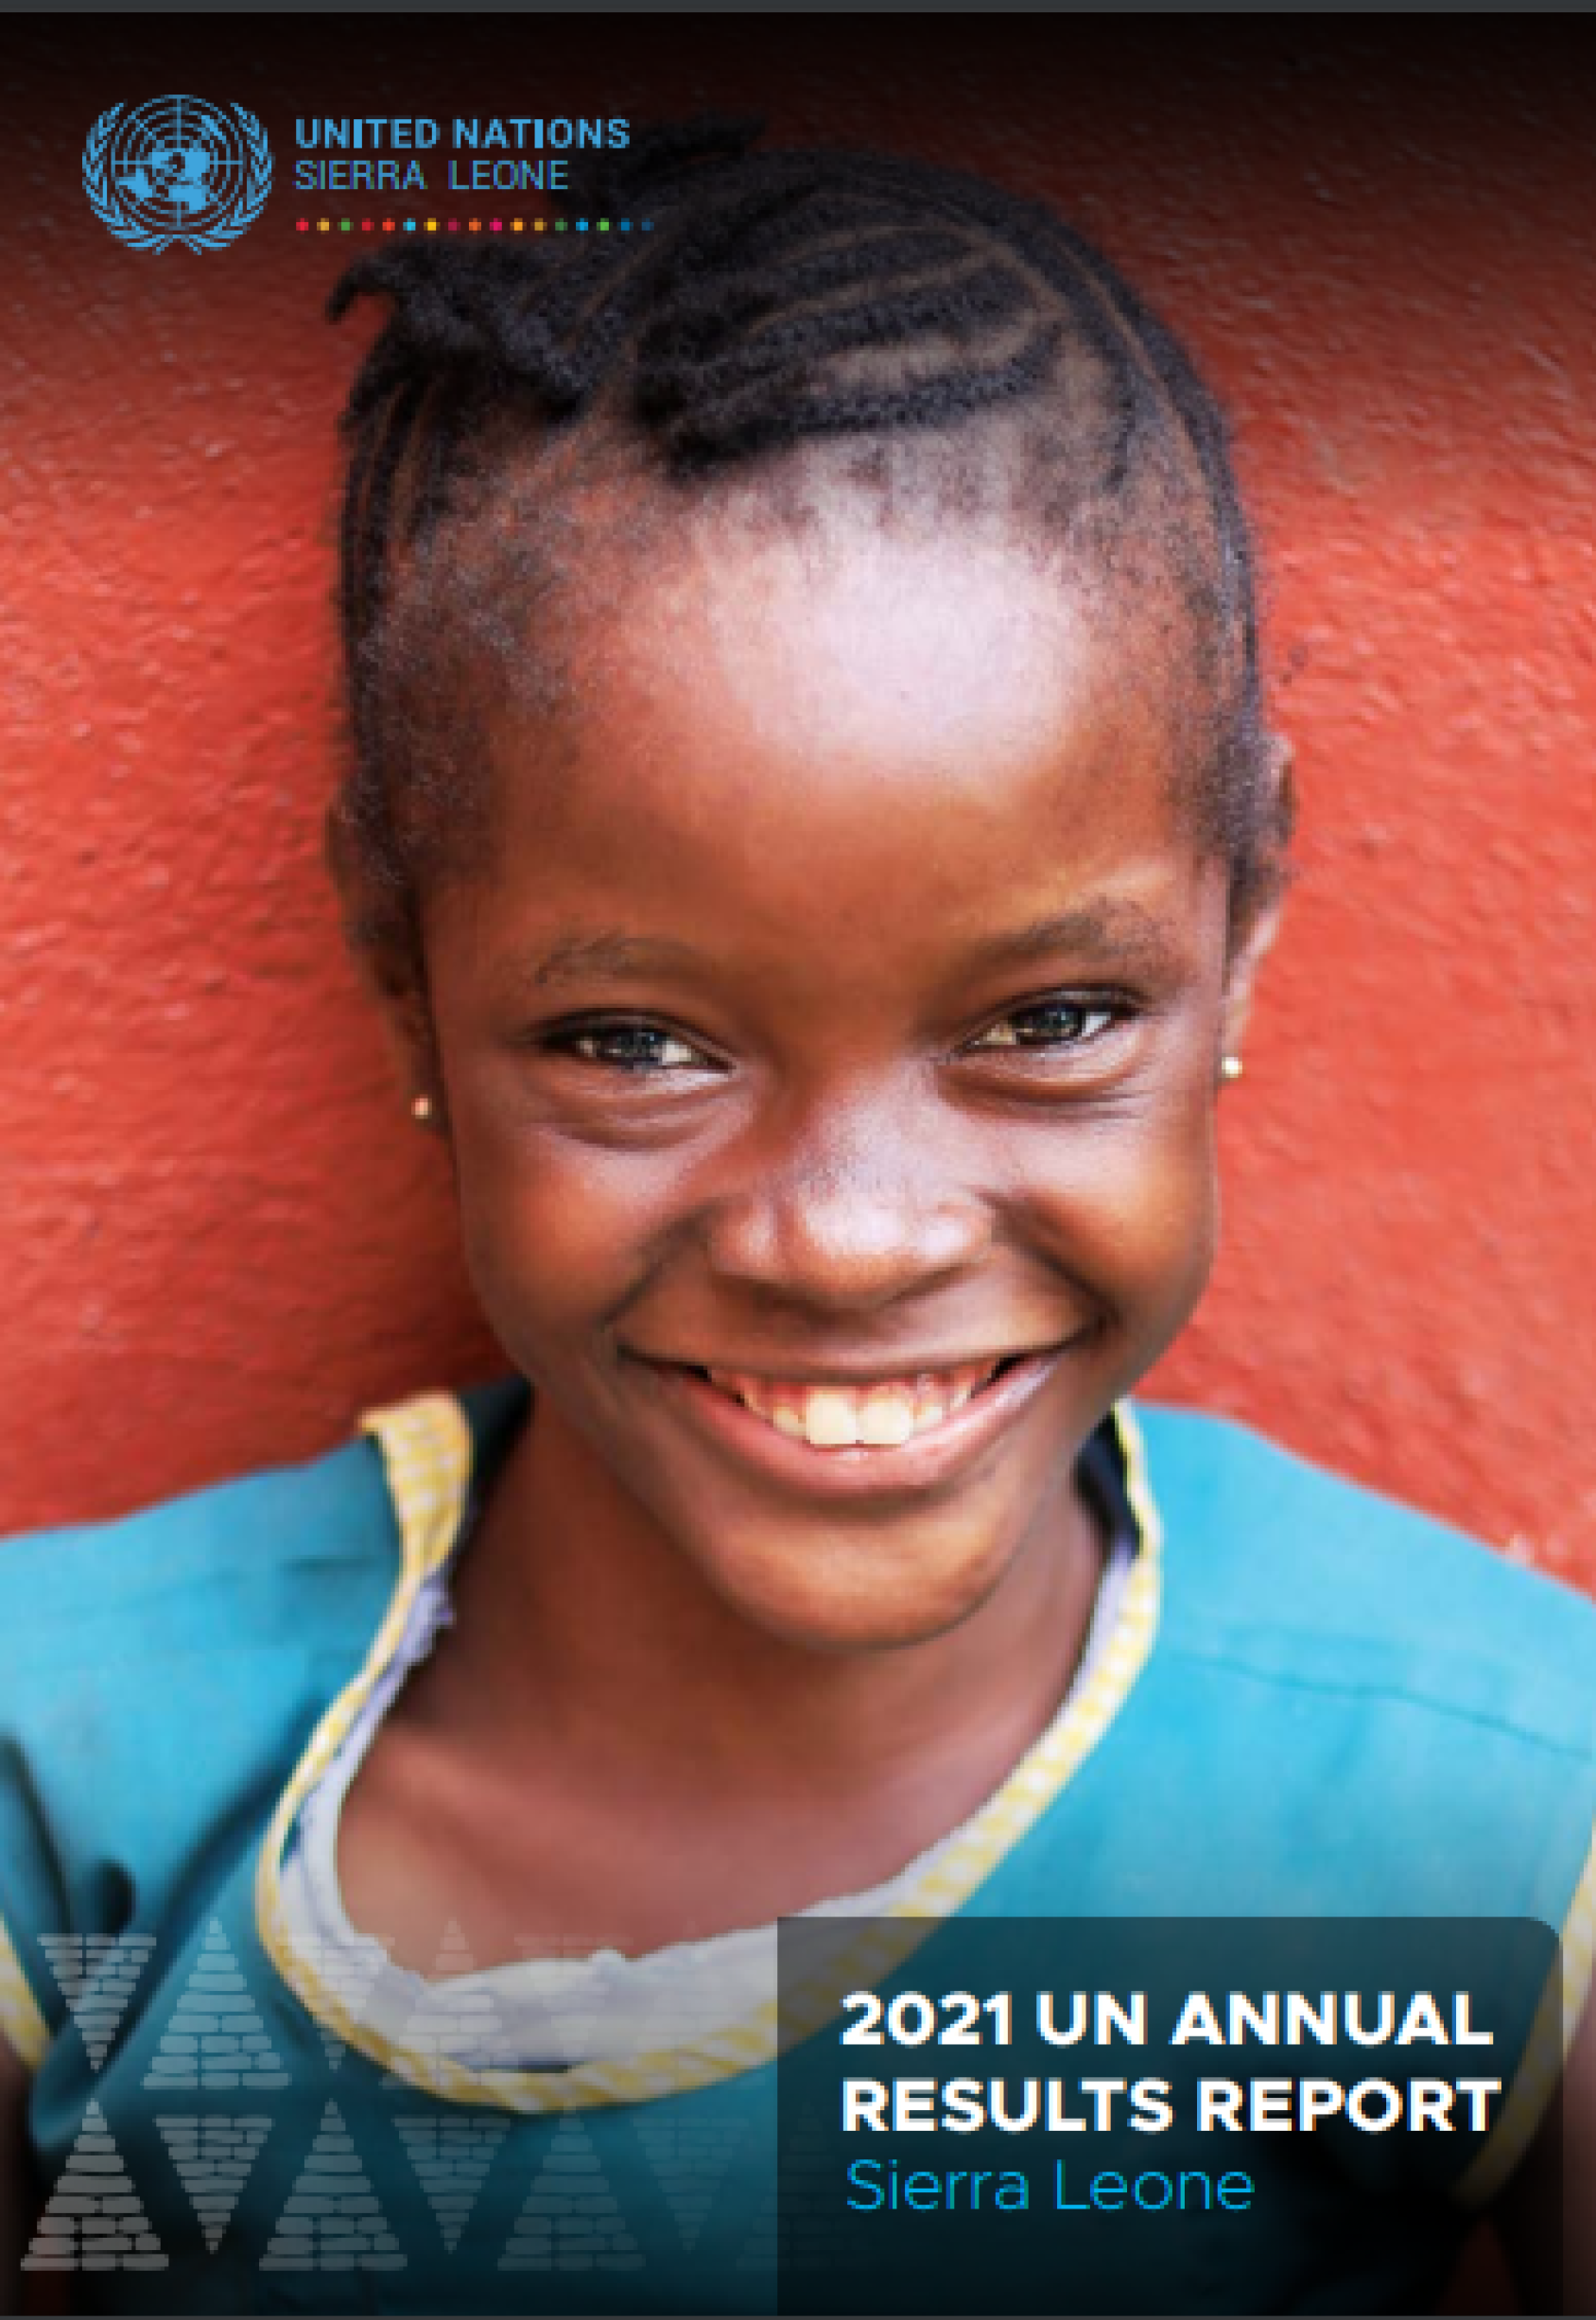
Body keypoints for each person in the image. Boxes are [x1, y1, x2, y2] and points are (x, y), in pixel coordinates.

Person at [1, 119, 1592, 2316]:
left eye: (1048, 1014)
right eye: (638, 1043)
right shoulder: (74, 1788)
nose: (844, 1241)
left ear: (1240, 944)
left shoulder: (1489, 1825)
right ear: (409, 984)